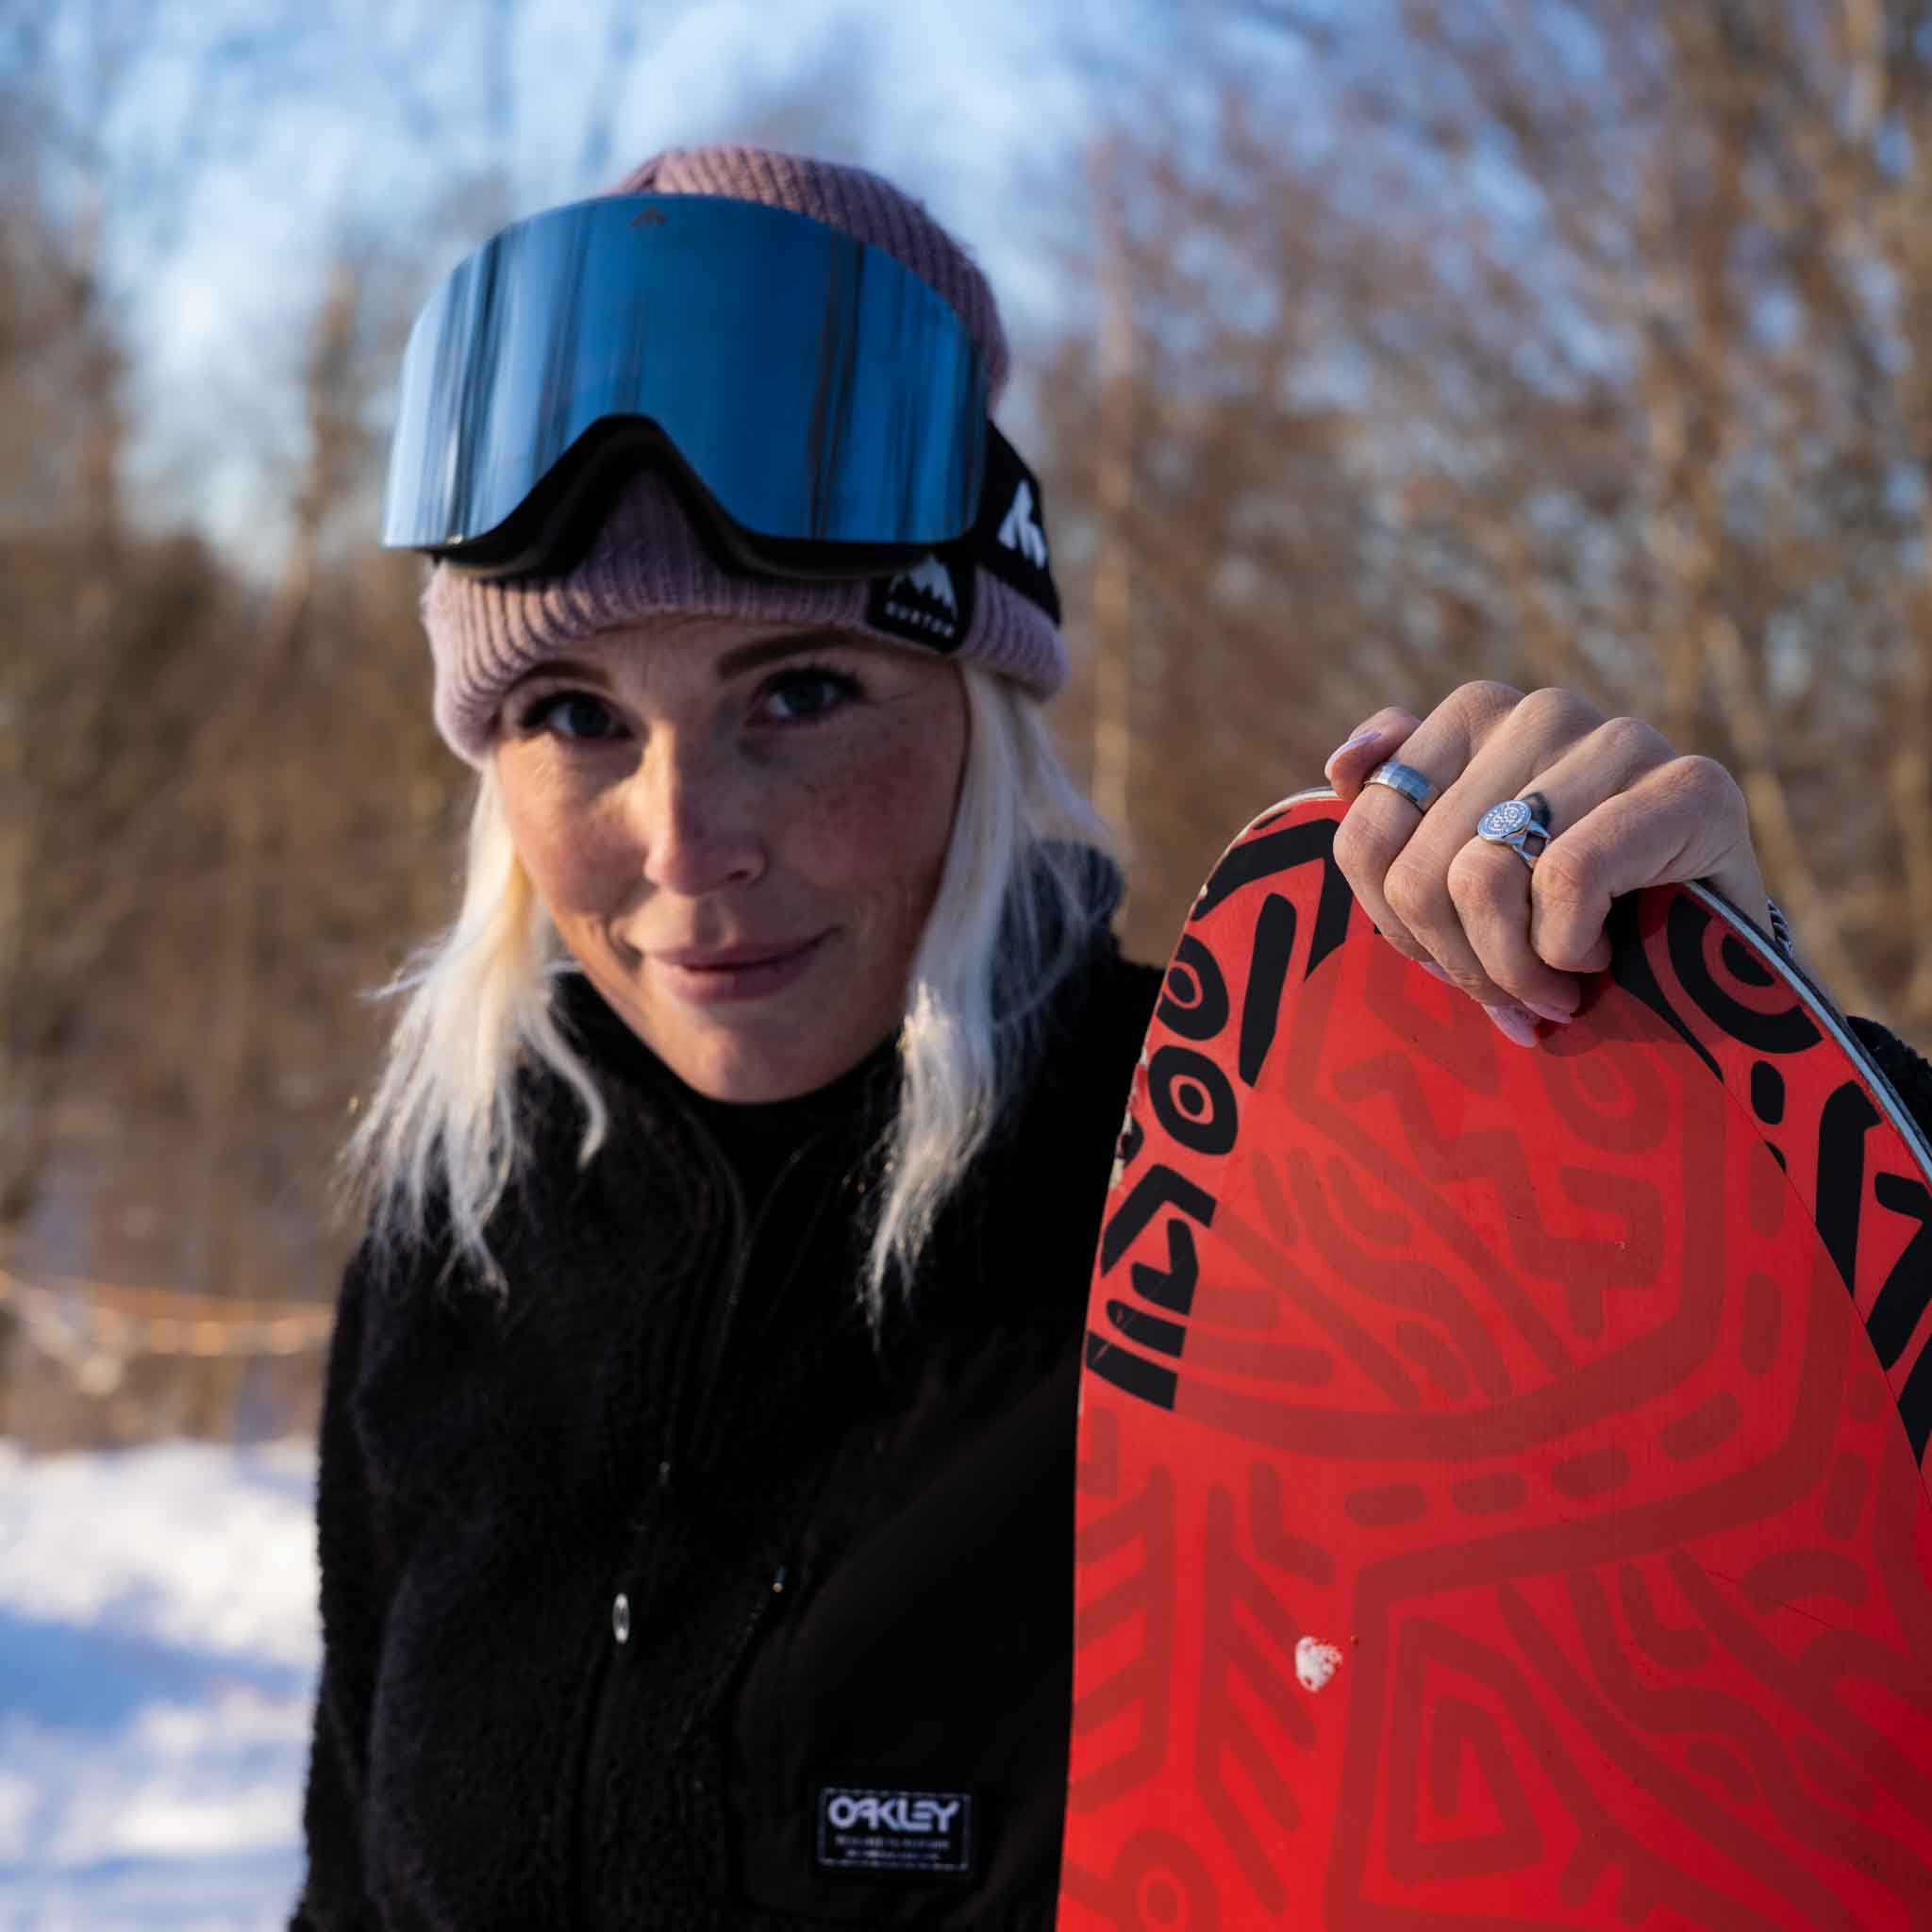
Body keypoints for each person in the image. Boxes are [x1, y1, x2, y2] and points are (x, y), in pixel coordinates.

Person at [292, 145, 1932, 1931]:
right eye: (575, 715)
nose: (688, 844)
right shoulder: (462, 1239)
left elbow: (1759, 1651)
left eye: (804, 692)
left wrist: (1727, 1081)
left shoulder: (1260, 1183)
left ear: (982, 713)